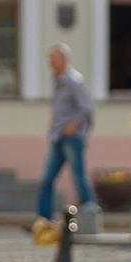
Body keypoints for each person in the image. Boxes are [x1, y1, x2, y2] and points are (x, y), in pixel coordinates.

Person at [37, 44, 94, 223]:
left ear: (63, 60)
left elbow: (87, 108)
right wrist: (54, 122)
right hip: (57, 136)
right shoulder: (56, 79)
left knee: (78, 178)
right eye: (49, 59)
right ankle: (44, 220)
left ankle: (91, 214)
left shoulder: (73, 80)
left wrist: (73, 125)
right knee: (46, 180)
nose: (50, 62)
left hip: (72, 138)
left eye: (53, 58)